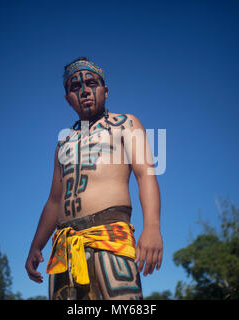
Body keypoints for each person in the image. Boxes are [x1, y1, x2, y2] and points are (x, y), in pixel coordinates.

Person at [25, 57, 163, 300]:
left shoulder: (126, 124)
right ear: (68, 98)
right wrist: (36, 246)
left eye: (91, 83)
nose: (85, 90)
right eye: (75, 87)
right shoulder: (63, 143)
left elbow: (146, 175)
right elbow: (54, 201)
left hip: (110, 237)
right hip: (65, 247)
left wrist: (152, 227)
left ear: (105, 90)